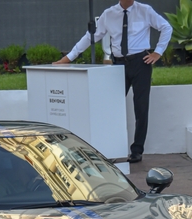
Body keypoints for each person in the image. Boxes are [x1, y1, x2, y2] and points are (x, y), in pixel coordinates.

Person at [54, 0, 172, 163]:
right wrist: (68, 58)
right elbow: (90, 37)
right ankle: (109, 147)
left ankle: (137, 150)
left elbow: (166, 27)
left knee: (141, 106)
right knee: (111, 107)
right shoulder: (109, 14)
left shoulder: (145, 10)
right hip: (118, 64)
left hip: (141, 62)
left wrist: (157, 52)